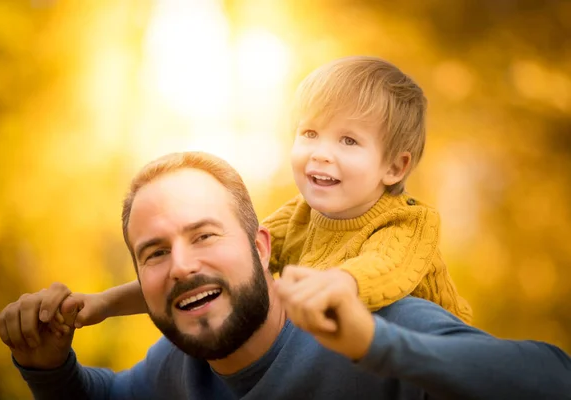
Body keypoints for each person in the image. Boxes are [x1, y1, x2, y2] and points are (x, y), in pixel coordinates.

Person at [0, 152, 571, 399]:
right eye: (154, 253)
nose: (182, 265)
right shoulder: (176, 372)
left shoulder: (380, 328)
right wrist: (47, 366)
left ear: (261, 246)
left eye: (204, 235)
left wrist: (377, 346)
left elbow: (552, 380)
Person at [56, 56, 472, 333]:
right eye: (310, 133)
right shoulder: (297, 218)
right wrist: (106, 303)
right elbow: (222, 267)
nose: (321, 154)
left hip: (439, 369)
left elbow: (381, 271)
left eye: (348, 141)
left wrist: (332, 284)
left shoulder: (410, 223)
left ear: (394, 167)